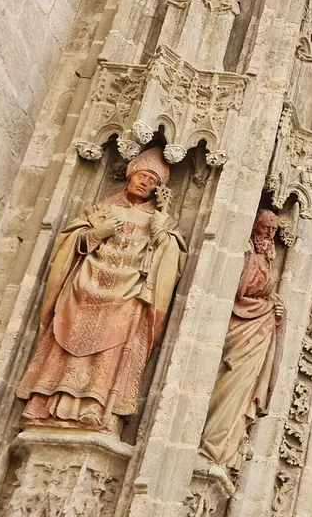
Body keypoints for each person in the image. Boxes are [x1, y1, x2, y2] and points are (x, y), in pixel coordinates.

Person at [17, 148, 186, 432]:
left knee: (110, 353)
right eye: (142, 176)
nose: (146, 183)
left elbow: (172, 259)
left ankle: (95, 410)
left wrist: (162, 230)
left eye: (153, 182)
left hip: (128, 297)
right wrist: (98, 232)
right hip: (84, 291)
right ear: (131, 175)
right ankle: (46, 404)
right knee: (66, 343)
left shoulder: (162, 220)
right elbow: (70, 242)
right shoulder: (101, 210)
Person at [201, 209, 284, 466]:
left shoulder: (269, 260)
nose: (270, 234)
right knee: (227, 381)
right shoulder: (247, 253)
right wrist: (266, 304)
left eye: (274, 230)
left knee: (241, 391)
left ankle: (221, 449)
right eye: (265, 228)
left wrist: (278, 310)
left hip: (259, 331)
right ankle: (208, 444)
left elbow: (266, 294)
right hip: (240, 327)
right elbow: (238, 289)